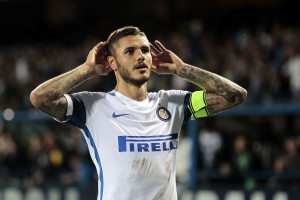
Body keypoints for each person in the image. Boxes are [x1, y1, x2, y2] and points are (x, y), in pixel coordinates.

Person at [30, 26, 247, 200]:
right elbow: (40, 98)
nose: (140, 56)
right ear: (112, 62)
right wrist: (87, 70)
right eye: (130, 51)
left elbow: (234, 95)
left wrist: (182, 69)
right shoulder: (93, 106)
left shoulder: (173, 103)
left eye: (145, 50)